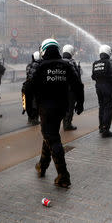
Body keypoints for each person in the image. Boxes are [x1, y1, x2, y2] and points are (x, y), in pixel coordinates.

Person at [25, 39, 84, 188]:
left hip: (45, 108)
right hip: (61, 108)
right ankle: (42, 165)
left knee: (52, 137)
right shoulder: (66, 65)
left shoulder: (40, 65)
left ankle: (63, 175)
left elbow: (28, 87)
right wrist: (80, 103)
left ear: (44, 50)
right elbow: (78, 85)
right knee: (50, 135)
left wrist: (29, 109)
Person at [92, 44, 112, 138]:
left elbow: (93, 77)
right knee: (108, 109)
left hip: (98, 88)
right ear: (109, 52)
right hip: (108, 88)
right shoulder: (111, 62)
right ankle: (105, 130)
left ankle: (101, 127)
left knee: (101, 107)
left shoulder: (95, 63)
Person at [62, 44, 82, 131]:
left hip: (61, 89)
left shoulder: (59, 61)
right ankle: (67, 124)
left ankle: (64, 123)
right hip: (70, 89)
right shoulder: (72, 62)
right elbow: (77, 76)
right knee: (70, 107)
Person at [23, 51, 41, 125]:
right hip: (36, 87)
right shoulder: (40, 66)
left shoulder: (29, 65)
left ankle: (30, 119)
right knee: (35, 103)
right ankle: (35, 120)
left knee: (28, 103)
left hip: (27, 86)